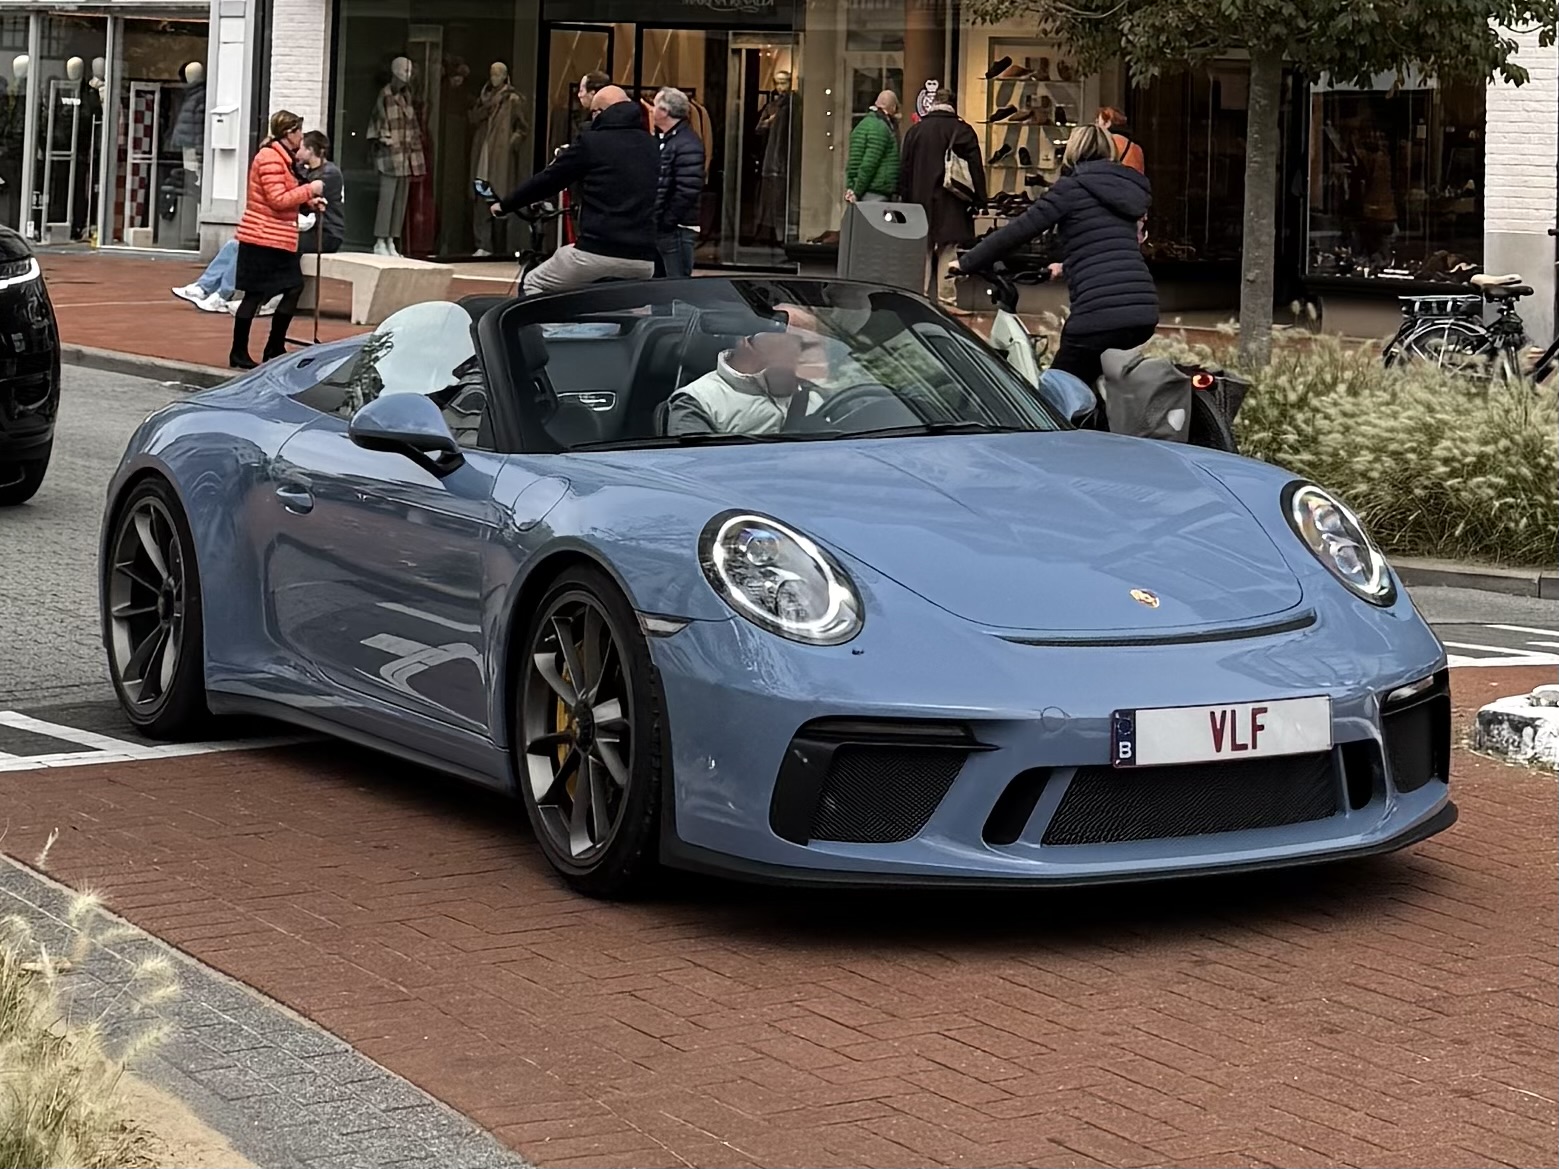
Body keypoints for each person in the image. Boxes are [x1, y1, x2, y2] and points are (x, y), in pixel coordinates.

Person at [952, 124, 1156, 390]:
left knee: (1057, 393)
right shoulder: (1126, 191)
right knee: (1091, 383)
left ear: (1073, 152)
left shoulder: (1072, 188)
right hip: (1143, 309)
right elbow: (1106, 245)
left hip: (1100, 314)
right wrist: (1065, 265)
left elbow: (1020, 230)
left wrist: (966, 262)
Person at [493, 85, 657, 295]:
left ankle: (548, 330)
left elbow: (549, 180)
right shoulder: (650, 144)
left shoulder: (592, 142)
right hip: (643, 260)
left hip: (598, 249)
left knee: (534, 283)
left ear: (599, 113)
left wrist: (505, 204)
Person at [175, 130, 340, 315]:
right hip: (297, 227)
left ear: (310, 150)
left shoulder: (328, 175)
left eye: (301, 147)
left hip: (322, 233)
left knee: (260, 246)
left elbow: (297, 201)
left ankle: (235, 296)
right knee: (236, 243)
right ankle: (203, 287)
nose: (297, 151)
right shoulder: (302, 170)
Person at [229, 111, 324, 369]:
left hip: (275, 237)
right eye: (298, 132)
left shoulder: (282, 158)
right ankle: (241, 352)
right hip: (263, 238)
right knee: (255, 296)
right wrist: (310, 189)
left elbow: (285, 194)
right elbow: (277, 199)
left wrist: (309, 202)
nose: (301, 137)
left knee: (291, 288)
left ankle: (274, 346)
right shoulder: (270, 157)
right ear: (287, 133)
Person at [898, 90, 985, 307]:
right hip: (952, 201)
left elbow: (905, 170)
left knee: (923, 250)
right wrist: (979, 201)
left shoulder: (915, 132)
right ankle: (947, 302)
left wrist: (904, 199)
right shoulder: (963, 130)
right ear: (953, 105)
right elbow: (975, 169)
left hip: (919, 201)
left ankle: (920, 300)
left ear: (933, 104)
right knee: (948, 250)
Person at [666, 329, 823, 436]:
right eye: (799, 342)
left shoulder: (820, 395)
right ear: (747, 343)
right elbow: (692, 468)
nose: (809, 352)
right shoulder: (699, 399)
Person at [651, 87, 704, 279]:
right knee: (660, 286)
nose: (651, 110)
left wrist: (666, 221)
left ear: (665, 111)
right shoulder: (666, 140)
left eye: (655, 106)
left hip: (677, 228)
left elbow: (687, 190)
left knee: (677, 286)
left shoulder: (686, 143)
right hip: (666, 226)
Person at [845, 90, 900, 204]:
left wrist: (852, 188)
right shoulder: (881, 128)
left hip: (863, 190)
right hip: (875, 191)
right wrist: (857, 191)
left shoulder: (863, 125)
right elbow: (869, 164)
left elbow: (855, 161)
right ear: (893, 108)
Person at [1096, 106, 1145, 173]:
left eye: (1098, 121)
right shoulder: (1136, 146)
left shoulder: (1105, 143)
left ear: (1107, 123)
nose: (1096, 125)